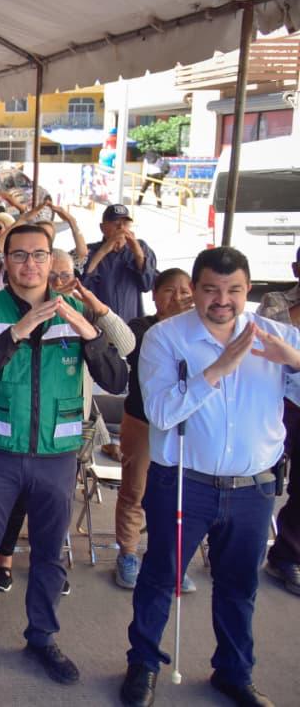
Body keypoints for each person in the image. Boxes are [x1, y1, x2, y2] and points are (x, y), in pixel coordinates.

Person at [0, 224, 127, 684]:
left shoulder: (77, 312)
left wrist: (89, 334)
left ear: (51, 261)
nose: (30, 264)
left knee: (49, 552)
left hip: (57, 456)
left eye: (39, 255)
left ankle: (42, 636)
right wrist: (17, 332)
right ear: (4, 262)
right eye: (19, 255)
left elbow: (117, 379)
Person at [119, 247, 300, 707]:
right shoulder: (165, 338)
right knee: (160, 578)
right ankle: (143, 663)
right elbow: (159, 410)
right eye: (212, 290)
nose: (223, 300)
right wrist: (217, 370)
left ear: (248, 290)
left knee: (240, 585)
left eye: (234, 290)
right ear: (195, 290)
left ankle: (234, 672)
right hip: (184, 481)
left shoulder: (279, 337)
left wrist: (295, 363)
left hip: (253, 488)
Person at [112, 268, 194, 592]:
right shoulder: (141, 328)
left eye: (186, 291)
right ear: (155, 295)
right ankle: (128, 553)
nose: (179, 297)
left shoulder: (199, 331)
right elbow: (135, 350)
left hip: (185, 425)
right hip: (143, 421)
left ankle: (167, 560)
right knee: (135, 490)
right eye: (170, 291)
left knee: (179, 495)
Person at [258, 245, 300, 597]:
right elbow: (270, 338)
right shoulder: (277, 300)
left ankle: (287, 556)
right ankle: (247, 542)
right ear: (296, 268)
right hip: (274, 400)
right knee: (263, 476)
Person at [82, 204, 157, 324]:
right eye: (115, 223)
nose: (121, 228)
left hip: (131, 322)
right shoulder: (90, 250)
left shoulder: (141, 247)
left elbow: (147, 285)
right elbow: (82, 283)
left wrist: (138, 253)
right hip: (99, 325)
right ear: (102, 227)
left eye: (125, 224)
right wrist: (104, 250)